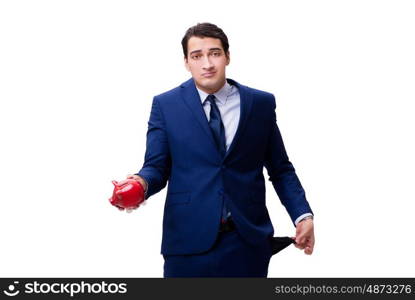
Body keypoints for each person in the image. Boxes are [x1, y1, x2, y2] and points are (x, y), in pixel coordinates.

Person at [121, 22, 315, 277]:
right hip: (187, 242)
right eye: (197, 56)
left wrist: (302, 215)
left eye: (214, 53)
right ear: (186, 62)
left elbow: (280, 169)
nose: (207, 63)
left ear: (228, 56)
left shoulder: (260, 104)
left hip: (247, 243)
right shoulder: (165, 105)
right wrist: (141, 185)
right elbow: (156, 167)